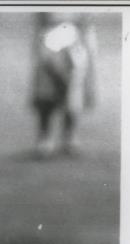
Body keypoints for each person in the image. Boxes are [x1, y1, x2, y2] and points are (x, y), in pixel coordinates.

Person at [30, 13, 97, 157]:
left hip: (75, 38)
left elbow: (86, 19)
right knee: (46, 89)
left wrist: (86, 43)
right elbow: (40, 18)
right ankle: (44, 137)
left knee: (74, 89)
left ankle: (69, 136)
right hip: (49, 37)